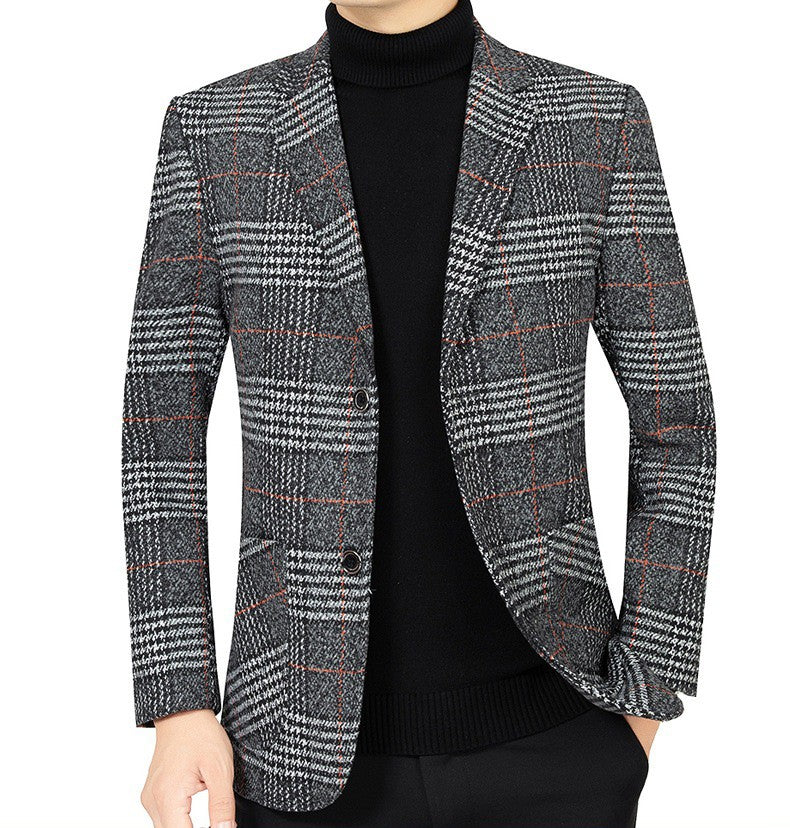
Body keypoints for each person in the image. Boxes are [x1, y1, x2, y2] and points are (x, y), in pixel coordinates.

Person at [122, 1, 716, 826]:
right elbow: (160, 435)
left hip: (557, 738)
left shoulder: (592, 120)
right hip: (294, 756)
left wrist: (646, 689)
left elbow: (676, 423)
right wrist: (179, 702)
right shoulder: (216, 129)